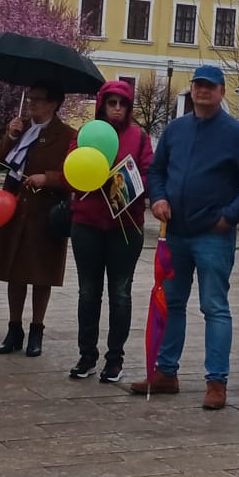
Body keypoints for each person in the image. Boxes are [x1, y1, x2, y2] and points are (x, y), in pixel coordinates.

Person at [133, 63, 239, 409]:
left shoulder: (238, 134)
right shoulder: (176, 129)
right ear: (191, 89)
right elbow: (157, 170)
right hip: (175, 232)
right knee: (171, 302)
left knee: (214, 307)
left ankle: (217, 381)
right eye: (198, 85)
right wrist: (158, 197)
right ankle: (166, 372)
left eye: (210, 86)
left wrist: (230, 216)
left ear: (221, 92)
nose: (203, 91)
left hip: (213, 235)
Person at [69, 79, 155, 384]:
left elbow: (149, 174)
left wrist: (124, 183)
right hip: (87, 224)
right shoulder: (85, 133)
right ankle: (86, 355)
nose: (117, 109)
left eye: (122, 104)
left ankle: (114, 358)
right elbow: (71, 171)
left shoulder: (140, 137)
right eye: (111, 103)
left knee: (120, 292)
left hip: (125, 227)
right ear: (102, 105)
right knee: (87, 292)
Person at [0, 81, 78, 357]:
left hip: (44, 213)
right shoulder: (21, 128)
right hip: (14, 209)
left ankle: (37, 328)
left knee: (41, 274)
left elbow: (73, 174)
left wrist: (47, 178)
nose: (32, 103)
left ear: (54, 104)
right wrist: (10, 137)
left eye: (39, 99)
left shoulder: (67, 135)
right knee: (14, 271)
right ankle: (14, 328)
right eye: (31, 97)